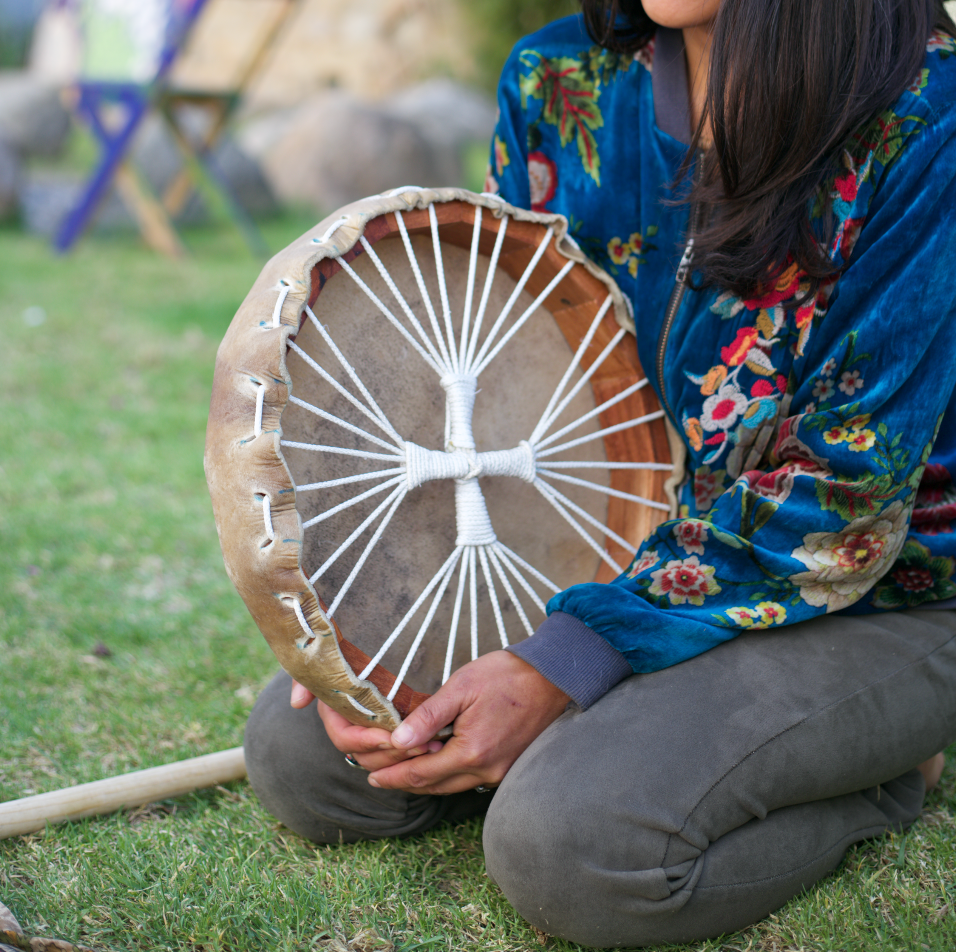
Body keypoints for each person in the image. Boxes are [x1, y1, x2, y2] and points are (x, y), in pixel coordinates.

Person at [244, 0, 956, 945]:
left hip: (880, 594)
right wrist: (369, 616)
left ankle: (889, 774)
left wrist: (567, 661)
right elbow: (513, 369)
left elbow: (840, 503)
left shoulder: (927, 116)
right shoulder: (556, 79)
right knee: (309, 761)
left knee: (573, 848)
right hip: (614, 553)